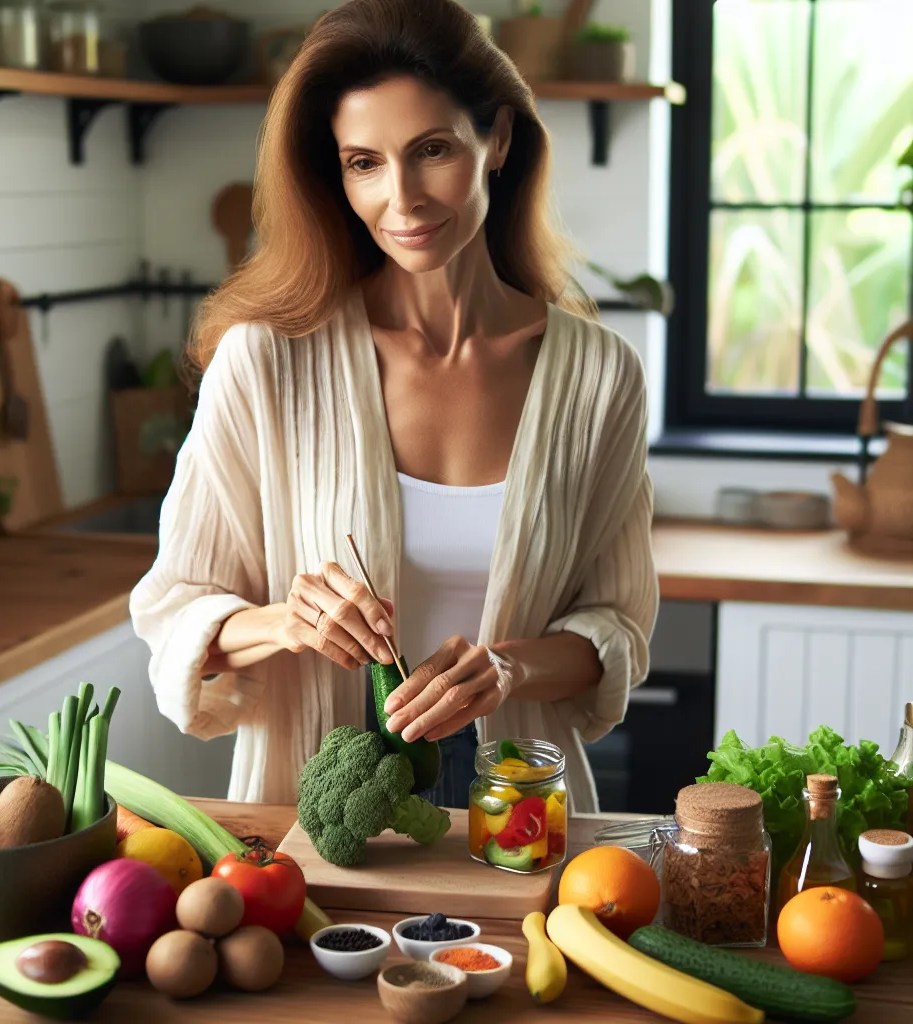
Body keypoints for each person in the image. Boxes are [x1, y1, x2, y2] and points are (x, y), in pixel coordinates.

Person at [129, 0, 658, 812]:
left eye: (433, 150)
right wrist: (285, 622)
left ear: (499, 141)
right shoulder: (268, 360)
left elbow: (617, 628)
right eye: (363, 163)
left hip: (523, 818)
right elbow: (174, 613)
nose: (402, 198)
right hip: (314, 813)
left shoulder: (597, 376)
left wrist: (507, 668)